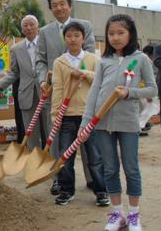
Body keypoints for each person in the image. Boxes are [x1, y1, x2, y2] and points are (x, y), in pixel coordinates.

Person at [82, 14, 157, 231]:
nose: (115, 37)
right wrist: (85, 124)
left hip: (128, 123)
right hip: (102, 123)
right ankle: (117, 214)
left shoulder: (141, 59)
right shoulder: (103, 61)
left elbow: (152, 89)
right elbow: (94, 93)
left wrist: (129, 92)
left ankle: (134, 215)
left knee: (131, 168)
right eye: (111, 33)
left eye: (120, 33)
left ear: (130, 34)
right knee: (110, 169)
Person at [35, 0, 96, 195]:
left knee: (87, 139)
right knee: (58, 139)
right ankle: (58, 179)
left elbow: (90, 56)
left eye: (62, 3)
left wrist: (82, 74)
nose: (59, 8)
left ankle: (93, 178)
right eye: (54, 5)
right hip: (57, 93)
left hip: (83, 94)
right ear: (50, 8)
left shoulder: (84, 26)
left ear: (69, 5)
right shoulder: (44, 32)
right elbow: (40, 60)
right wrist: (44, 79)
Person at [52, 21, 108, 207]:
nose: (73, 39)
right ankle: (66, 190)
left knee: (95, 156)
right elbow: (57, 90)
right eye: (69, 36)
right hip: (67, 116)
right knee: (65, 156)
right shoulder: (60, 62)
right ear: (65, 39)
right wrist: (55, 116)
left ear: (83, 39)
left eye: (77, 35)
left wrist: (84, 73)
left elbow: (101, 83)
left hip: (89, 115)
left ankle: (101, 190)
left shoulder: (93, 60)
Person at [0, 15, 48, 150]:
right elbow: (14, 72)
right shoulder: (16, 49)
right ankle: (34, 159)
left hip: (45, 92)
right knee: (31, 132)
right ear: (22, 30)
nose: (29, 28)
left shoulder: (46, 44)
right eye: (25, 26)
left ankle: (51, 160)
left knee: (50, 131)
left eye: (32, 24)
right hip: (26, 95)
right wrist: (0, 84)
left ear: (38, 27)